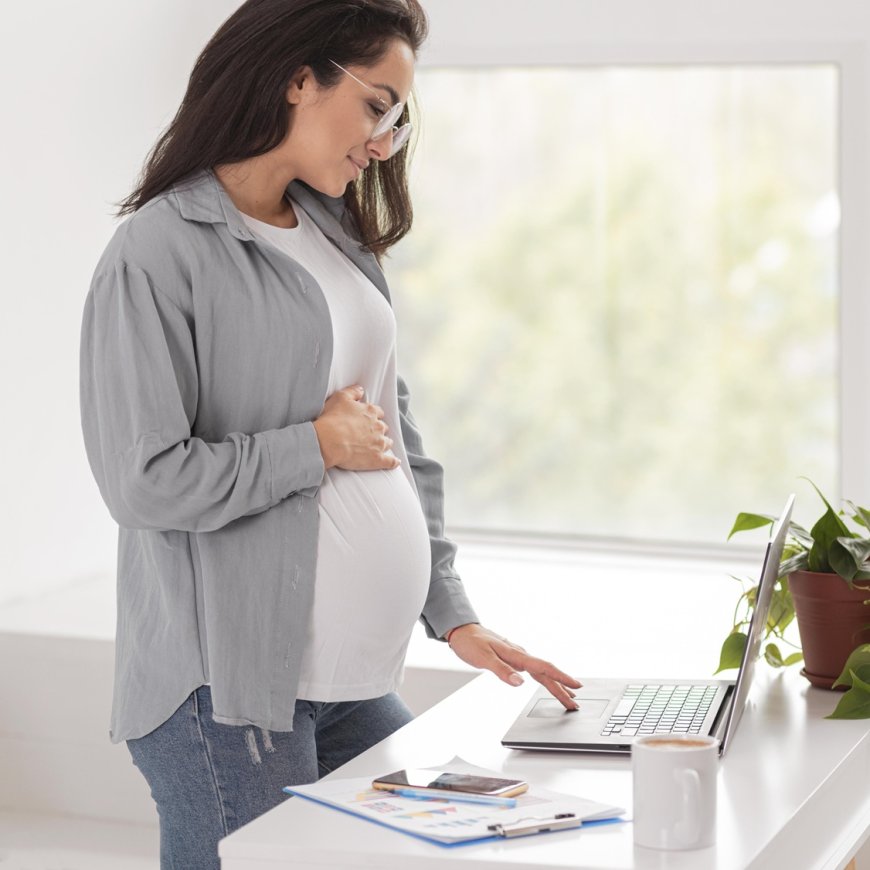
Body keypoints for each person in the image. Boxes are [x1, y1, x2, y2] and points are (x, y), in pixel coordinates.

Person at [79, 1, 581, 866]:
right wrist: (311, 446)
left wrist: (451, 613)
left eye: (397, 117)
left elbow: (396, 438)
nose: (384, 142)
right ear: (297, 78)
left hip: (351, 683)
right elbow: (143, 480)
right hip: (229, 690)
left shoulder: (335, 232)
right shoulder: (159, 251)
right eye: (377, 105)